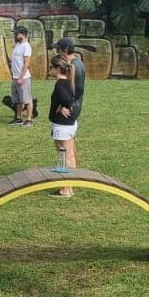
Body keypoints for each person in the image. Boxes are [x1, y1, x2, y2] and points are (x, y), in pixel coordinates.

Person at [54, 38, 86, 196]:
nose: (56, 52)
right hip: (72, 112)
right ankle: (69, 184)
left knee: (65, 153)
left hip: (68, 113)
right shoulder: (76, 63)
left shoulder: (74, 66)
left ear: (64, 51)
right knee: (70, 150)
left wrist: (64, 105)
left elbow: (76, 91)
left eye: (58, 49)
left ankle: (66, 188)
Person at [46, 55, 79, 196]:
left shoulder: (60, 85)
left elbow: (66, 99)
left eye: (51, 67)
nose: (50, 70)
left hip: (62, 127)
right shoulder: (68, 82)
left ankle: (65, 189)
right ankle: (69, 187)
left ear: (58, 68)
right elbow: (71, 98)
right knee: (70, 156)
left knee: (64, 158)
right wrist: (63, 105)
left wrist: (61, 107)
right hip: (70, 125)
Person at [8, 25, 34, 126]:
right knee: (18, 100)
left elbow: (27, 63)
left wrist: (21, 77)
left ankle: (29, 119)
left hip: (23, 78)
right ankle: (18, 118)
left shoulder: (26, 46)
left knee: (27, 99)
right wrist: (14, 76)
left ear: (22, 34)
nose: (14, 36)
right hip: (15, 77)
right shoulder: (18, 45)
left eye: (16, 34)